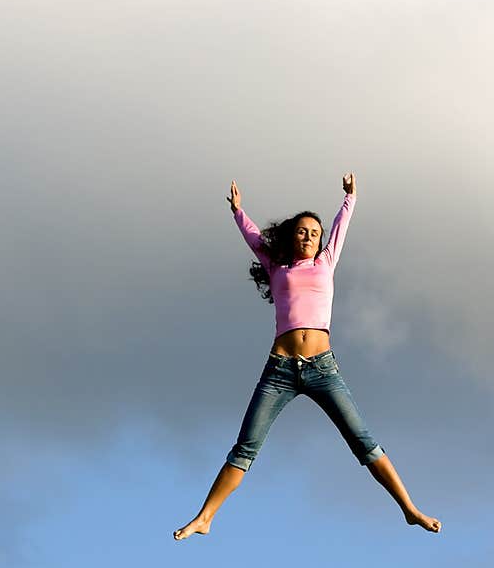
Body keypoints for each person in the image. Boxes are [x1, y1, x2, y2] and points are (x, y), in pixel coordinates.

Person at [173, 173, 440, 540]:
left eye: (314, 233)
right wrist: (238, 211)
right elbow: (254, 239)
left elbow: (340, 227)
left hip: (323, 370)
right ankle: (205, 517)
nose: (309, 236)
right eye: (302, 231)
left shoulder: (326, 262)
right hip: (279, 370)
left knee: (363, 441)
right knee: (245, 447)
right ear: (291, 237)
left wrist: (350, 198)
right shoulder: (276, 266)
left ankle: (409, 509)